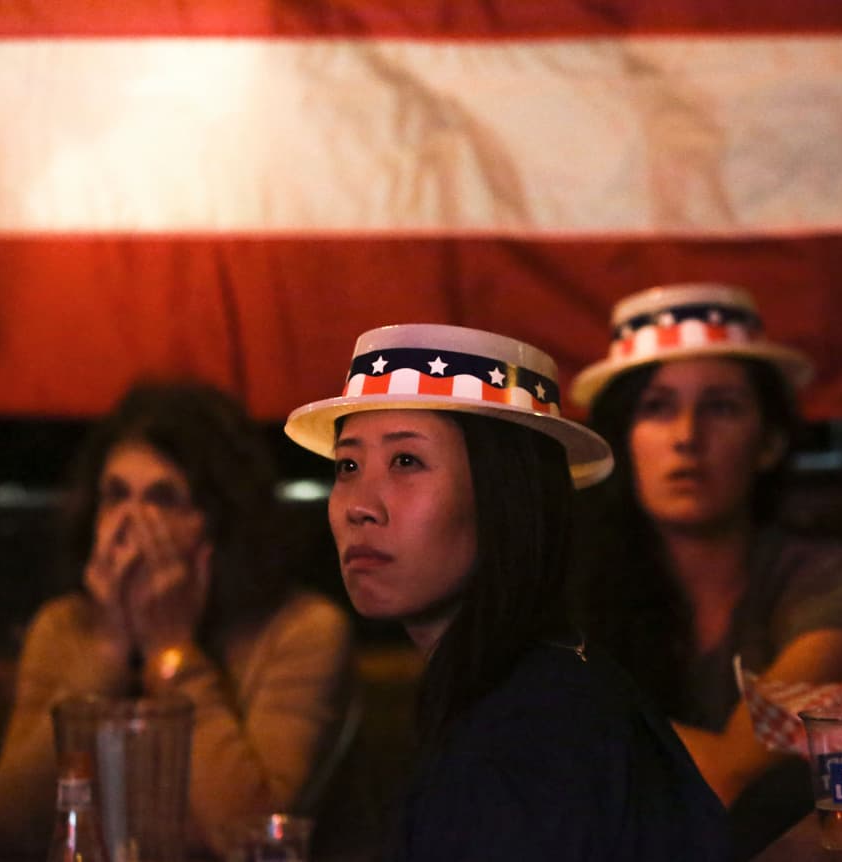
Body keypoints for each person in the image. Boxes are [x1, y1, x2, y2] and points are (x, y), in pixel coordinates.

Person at [284, 323, 730, 861]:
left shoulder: (530, 733)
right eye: (348, 466)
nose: (360, 505)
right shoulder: (533, 683)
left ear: (507, 496)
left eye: (406, 461)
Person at [568, 284, 842, 855]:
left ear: (770, 442)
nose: (687, 437)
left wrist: (574, 728)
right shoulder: (567, 587)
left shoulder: (836, 581)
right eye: (656, 407)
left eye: (721, 406)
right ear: (622, 441)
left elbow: (727, 775)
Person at [0, 381, 354, 855]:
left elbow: (248, 834)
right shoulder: (62, 627)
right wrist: (109, 648)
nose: (130, 523)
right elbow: (10, 827)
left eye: (162, 499)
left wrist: (172, 648)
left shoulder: (302, 631)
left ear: (219, 521)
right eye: (115, 495)